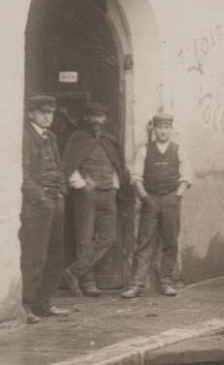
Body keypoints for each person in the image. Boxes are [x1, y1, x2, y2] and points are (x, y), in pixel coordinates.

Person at [61, 103, 132, 297]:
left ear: (105, 119)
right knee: (85, 238)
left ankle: (73, 272)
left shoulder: (110, 140)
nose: (96, 120)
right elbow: (69, 166)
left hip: (108, 193)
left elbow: (117, 165)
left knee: (108, 236)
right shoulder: (78, 138)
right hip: (85, 196)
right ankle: (88, 282)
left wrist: (115, 186)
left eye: (100, 116)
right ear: (86, 118)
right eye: (92, 116)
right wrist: (82, 185)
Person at [122, 112, 192, 298]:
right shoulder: (144, 150)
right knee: (144, 241)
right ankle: (137, 284)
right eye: (159, 127)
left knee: (170, 241)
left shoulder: (178, 150)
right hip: (150, 200)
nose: (163, 131)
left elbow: (186, 178)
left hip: (170, 199)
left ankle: (166, 282)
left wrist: (176, 197)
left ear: (171, 129)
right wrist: (145, 199)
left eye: (166, 127)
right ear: (154, 129)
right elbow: (136, 178)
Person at [20, 95, 70, 323]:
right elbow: (24, 174)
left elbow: (59, 168)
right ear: (31, 114)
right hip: (37, 205)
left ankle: (44, 302)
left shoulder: (52, 137)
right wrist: (40, 198)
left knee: (55, 255)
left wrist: (60, 193)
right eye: (42, 112)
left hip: (55, 202)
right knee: (35, 255)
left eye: (50, 112)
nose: (48, 116)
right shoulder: (25, 139)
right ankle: (27, 304)